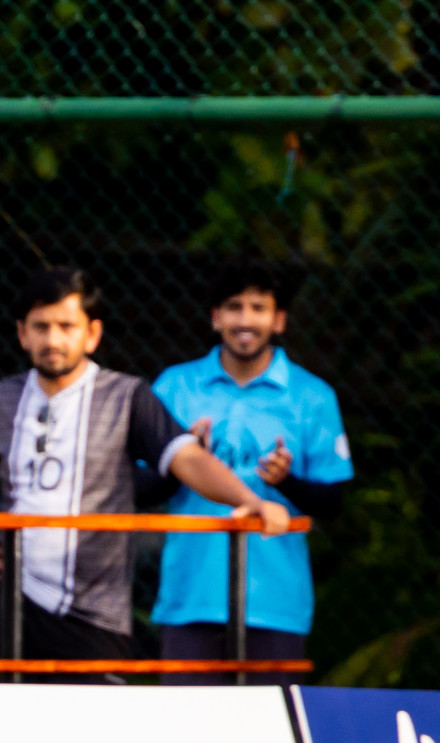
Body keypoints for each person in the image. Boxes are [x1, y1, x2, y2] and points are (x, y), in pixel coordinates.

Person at [0, 267, 292, 676]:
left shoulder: (127, 397)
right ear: (22, 333)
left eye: (66, 326)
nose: (53, 340)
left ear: (92, 334)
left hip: (93, 613)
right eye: (41, 327)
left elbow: (188, 458)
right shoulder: (2, 397)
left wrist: (251, 501)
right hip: (10, 602)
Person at [146, 258, 353, 684]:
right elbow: (137, 488)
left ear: (279, 320)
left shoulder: (312, 396)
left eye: (258, 308)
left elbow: (334, 501)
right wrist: (182, 464)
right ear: (215, 317)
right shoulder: (174, 387)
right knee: (186, 738)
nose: (245, 319)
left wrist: (287, 481)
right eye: (234, 307)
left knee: (269, 740)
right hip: (191, 595)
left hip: (275, 600)